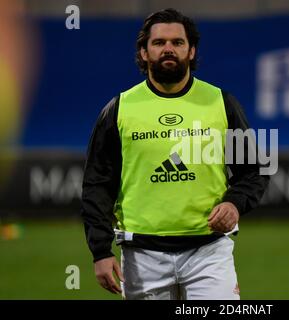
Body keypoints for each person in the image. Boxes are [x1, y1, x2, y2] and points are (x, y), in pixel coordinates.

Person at [81, 8, 269, 300]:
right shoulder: (119, 109)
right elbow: (97, 184)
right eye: (158, 43)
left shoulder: (221, 102)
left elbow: (254, 170)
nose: (168, 48)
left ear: (191, 51)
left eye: (177, 42)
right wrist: (100, 251)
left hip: (209, 252)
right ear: (144, 53)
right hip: (141, 255)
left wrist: (234, 203)